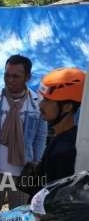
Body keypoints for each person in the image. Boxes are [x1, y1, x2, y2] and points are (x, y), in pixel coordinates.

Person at [0, 54, 47, 214]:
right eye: (7, 75)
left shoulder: (37, 103)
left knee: (20, 216)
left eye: (16, 76)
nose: (10, 80)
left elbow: (40, 137)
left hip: (23, 172)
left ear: (27, 77)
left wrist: (37, 164)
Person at [20, 68, 85, 196]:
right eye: (42, 99)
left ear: (67, 107)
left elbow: (57, 201)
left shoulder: (65, 150)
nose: (41, 105)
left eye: (48, 101)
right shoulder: (63, 137)